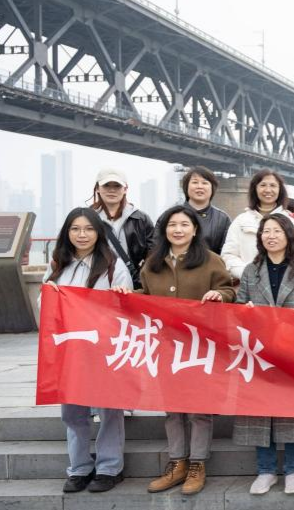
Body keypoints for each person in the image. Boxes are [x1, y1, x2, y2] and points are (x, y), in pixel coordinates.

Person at [118, 205, 235, 496]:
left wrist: (220, 294)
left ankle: (197, 464)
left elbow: (231, 291)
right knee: (172, 409)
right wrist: (128, 296)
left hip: (200, 347)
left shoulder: (211, 260)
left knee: (199, 409)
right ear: (164, 230)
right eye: (172, 225)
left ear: (195, 230)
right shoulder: (153, 263)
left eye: (184, 224)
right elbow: (146, 297)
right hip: (167, 347)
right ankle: (177, 462)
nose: (178, 230)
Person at [43, 208, 132, 494]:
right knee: (72, 412)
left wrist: (122, 297)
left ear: (98, 233)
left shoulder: (113, 265)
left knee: (109, 410)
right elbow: (45, 308)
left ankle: (109, 467)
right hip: (70, 351)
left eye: (89, 229)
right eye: (75, 229)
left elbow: (126, 308)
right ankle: (79, 467)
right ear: (67, 233)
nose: (82, 235)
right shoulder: (58, 264)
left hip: (104, 349)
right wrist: (48, 296)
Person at [233, 214, 294, 496]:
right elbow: (238, 305)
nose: (270, 236)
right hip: (259, 351)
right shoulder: (251, 270)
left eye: (277, 231)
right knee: (261, 413)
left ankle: (293, 470)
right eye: (266, 231)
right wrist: (244, 310)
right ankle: (266, 470)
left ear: (288, 235)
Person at [222, 169, 294, 281]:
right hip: (249, 285)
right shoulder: (241, 221)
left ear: (280, 190)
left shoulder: (289, 221)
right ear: (255, 188)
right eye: (263, 185)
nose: (268, 190)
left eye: (273, 185)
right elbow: (228, 255)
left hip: (284, 283)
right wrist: (247, 273)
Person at [89, 168, 154, 289]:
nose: (112, 190)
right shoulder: (87, 218)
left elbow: (153, 254)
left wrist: (142, 278)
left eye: (117, 186)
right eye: (106, 185)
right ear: (97, 188)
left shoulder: (140, 219)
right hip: (96, 283)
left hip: (131, 286)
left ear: (125, 189)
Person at [175, 166, 231, 254]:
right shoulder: (170, 215)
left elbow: (227, 253)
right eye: (195, 182)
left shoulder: (222, 219)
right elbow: (158, 248)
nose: (199, 186)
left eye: (205, 183)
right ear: (186, 187)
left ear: (212, 188)